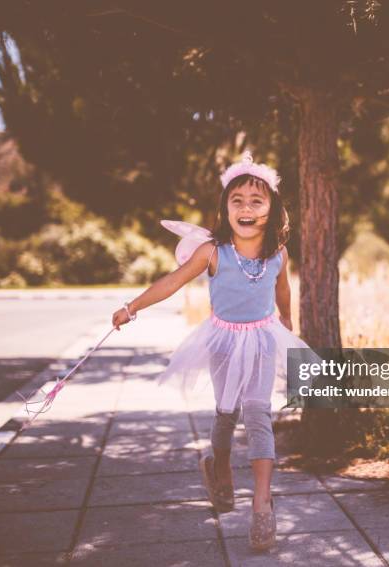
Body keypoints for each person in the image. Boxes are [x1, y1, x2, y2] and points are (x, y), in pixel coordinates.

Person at [111, 151, 313, 551]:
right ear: (225, 209)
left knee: (258, 412)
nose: (246, 208)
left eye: (257, 201)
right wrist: (132, 307)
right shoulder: (213, 252)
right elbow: (172, 282)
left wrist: (286, 321)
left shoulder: (278, 253)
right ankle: (218, 464)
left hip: (262, 337)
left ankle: (261, 505)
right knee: (226, 411)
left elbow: (283, 289)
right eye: (236, 201)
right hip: (222, 339)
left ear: (272, 209)